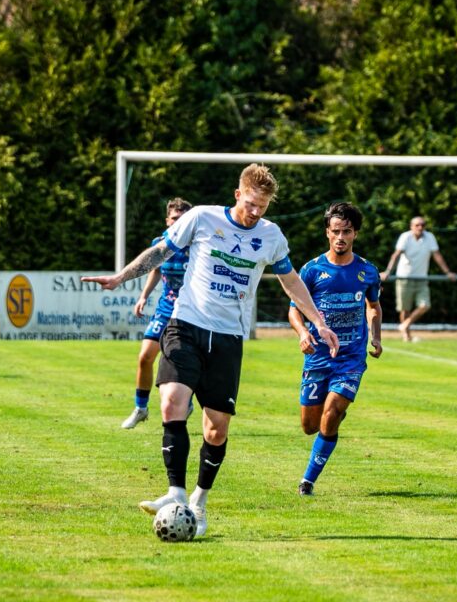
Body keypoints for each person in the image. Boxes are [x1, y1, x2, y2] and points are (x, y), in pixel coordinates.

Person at [82, 164, 339, 537]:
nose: (255, 212)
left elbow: (291, 281)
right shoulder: (201, 218)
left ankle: (199, 503)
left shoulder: (271, 236)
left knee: (216, 430)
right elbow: (160, 252)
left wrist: (318, 321)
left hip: (227, 338)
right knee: (171, 402)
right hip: (185, 325)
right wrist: (121, 277)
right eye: (251, 203)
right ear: (238, 195)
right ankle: (174, 493)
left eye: (262, 207)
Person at [289, 202, 382, 496]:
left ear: (355, 234)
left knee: (331, 413)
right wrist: (303, 332)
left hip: (351, 359)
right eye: (336, 231)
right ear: (327, 233)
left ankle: (308, 481)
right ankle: (335, 411)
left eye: (347, 232)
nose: (341, 237)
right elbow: (294, 310)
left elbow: (374, 306)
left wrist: (376, 338)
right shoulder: (312, 270)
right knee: (309, 426)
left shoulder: (367, 271)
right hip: (318, 356)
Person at [121, 197, 194, 429]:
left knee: (182, 359)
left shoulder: (197, 244)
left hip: (189, 311)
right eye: (174, 219)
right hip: (165, 308)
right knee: (145, 357)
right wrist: (144, 296)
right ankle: (140, 408)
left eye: (183, 219)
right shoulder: (161, 242)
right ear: (167, 220)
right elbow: (155, 269)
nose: (178, 223)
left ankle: (187, 402)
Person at [380, 215, 456, 342]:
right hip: (404, 278)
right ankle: (406, 335)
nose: (420, 227)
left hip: (421, 279)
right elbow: (396, 255)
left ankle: (404, 325)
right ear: (411, 227)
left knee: (425, 305)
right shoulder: (405, 237)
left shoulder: (429, 237)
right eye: (417, 225)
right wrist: (388, 271)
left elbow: (437, 255)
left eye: (422, 225)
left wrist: (447, 272)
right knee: (405, 309)